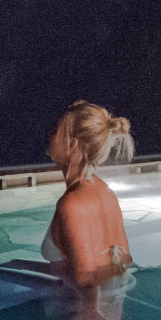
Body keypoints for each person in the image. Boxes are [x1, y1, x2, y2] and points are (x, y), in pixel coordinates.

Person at [41, 99, 136, 286]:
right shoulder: (105, 192)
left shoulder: (72, 203)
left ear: (72, 143)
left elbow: (86, 283)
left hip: (70, 303)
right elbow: (123, 263)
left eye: (56, 130)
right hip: (109, 298)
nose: (49, 134)